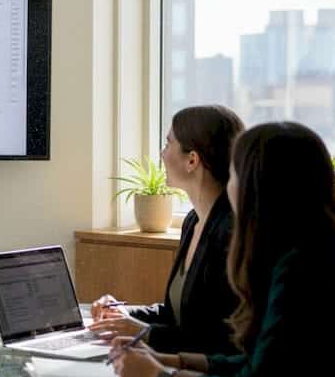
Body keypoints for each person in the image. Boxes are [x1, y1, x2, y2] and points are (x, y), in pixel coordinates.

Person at [111, 122, 335, 377]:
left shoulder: (302, 267)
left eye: (234, 174)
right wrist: (172, 361)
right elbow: (258, 367)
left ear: (258, 186)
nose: (228, 184)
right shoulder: (311, 247)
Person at [90, 105, 245, 355]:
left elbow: (219, 338)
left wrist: (141, 332)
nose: (161, 154)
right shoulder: (194, 220)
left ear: (192, 160)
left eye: (167, 144)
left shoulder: (232, 231)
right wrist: (123, 314)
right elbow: (176, 314)